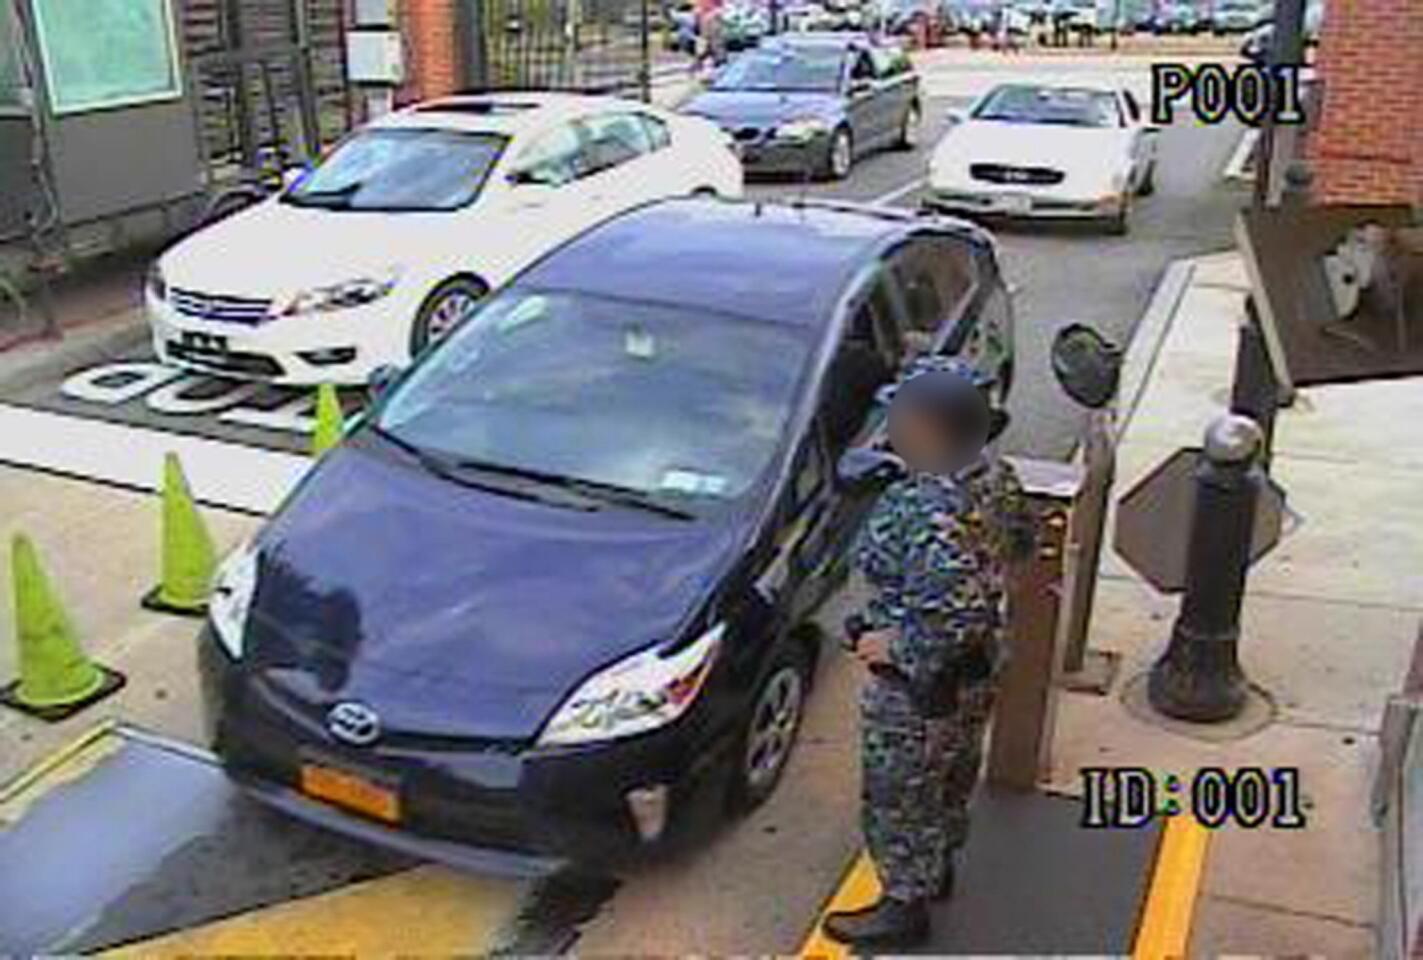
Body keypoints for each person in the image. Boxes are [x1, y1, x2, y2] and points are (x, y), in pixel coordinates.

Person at [822, 357, 1035, 948]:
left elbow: (955, 609)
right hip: (978, 669)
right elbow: (1020, 547)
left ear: (928, 428)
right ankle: (937, 866)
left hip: (921, 688)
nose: (891, 423)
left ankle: (903, 906)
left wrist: (894, 646)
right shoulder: (994, 478)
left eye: (901, 413)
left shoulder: (925, 507)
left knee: (899, 793)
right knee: (952, 774)